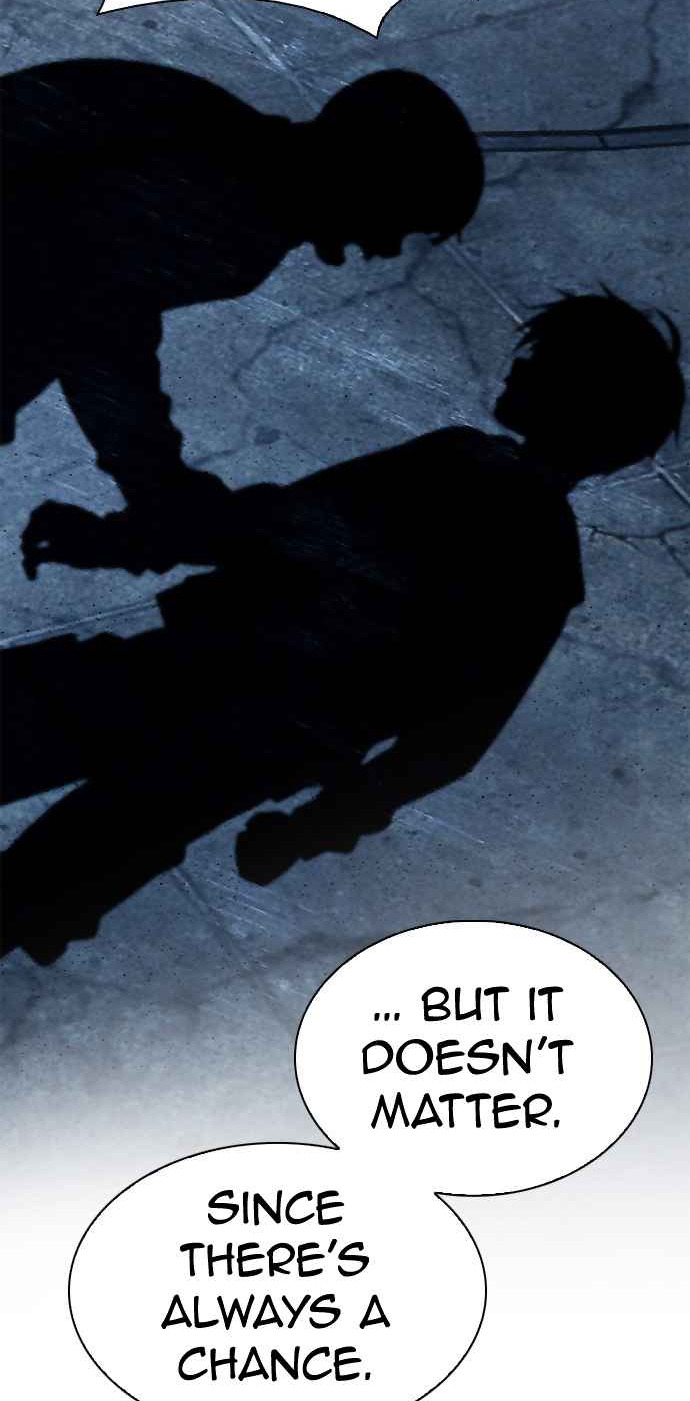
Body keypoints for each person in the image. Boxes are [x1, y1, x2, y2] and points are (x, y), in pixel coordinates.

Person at [2, 291, 683, 958]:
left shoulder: (458, 467)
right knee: (46, 879)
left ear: (572, 396)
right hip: (246, 747)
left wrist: (114, 542)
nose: (520, 366)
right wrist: (314, 828)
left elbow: (269, 526)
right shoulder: (546, 566)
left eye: (542, 362)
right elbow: (447, 745)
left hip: (188, 673)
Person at [1, 60, 484, 574]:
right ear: (372, 177)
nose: (385, 248)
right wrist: (157, 485)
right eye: (402, 221)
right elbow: (99, 325)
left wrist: (156, 487)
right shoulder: (234, 214)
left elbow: (100, 314)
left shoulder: (222, 146)